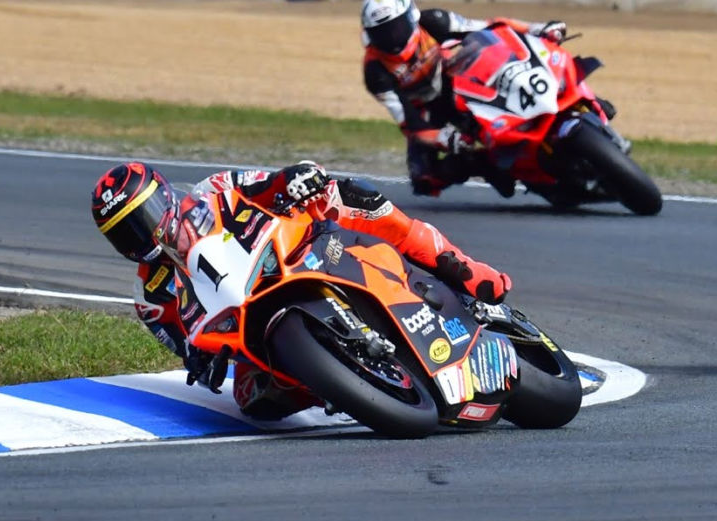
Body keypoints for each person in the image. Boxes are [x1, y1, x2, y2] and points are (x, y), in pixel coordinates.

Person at [90, 159, 511, 418]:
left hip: (295, 250)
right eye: (125, 232)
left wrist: (294, 179)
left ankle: (462, 268)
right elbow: (183, 347)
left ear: (163, 196)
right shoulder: (150, 298)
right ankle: (344, 384)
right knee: (254, 400)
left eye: (143, 216)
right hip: (246, 316)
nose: (141, 233)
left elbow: (266, 184)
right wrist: (200, 362)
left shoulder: (212, 191)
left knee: (352, 196)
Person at [359, 0, 570, 197]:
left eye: (397, 28)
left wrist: (537, 29)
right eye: (383, 33)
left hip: (458, 80)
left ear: (411, 17)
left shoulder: (434, 21)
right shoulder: (375, 70)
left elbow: (491, 28)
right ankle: (485, 164)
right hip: (426, 109)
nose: (392, 38)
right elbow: (408, 121)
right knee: (424, 179)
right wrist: (443, 137)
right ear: (370, 36)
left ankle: (572, 104)